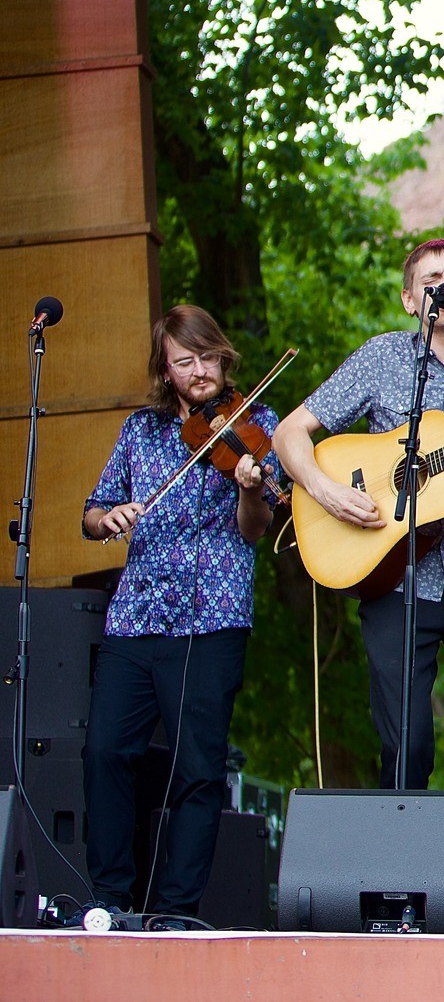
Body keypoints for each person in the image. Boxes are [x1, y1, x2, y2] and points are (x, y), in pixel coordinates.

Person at [274, 238, 444, 791]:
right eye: (430, 280)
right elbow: (288, 433)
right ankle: (402, 880)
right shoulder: (382, 359)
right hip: (395, 577)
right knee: (406, 746)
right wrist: (327, 493)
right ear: (409, 300)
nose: (443, 286)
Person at [79, 305, 281, 918]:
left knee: (199, 769)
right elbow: (93, 510)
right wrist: (106, 519)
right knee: (106, 752)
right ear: (166, 371)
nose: (199, 373)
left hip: (211, 618)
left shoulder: (257, 422)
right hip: (136, 616)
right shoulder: (141, 430)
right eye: (185, 362)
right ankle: (111, 897)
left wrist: (249, 489)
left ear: (223, 358)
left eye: (208, 359)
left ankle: (173, 909)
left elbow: (255, 529)